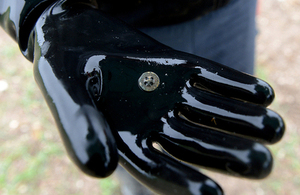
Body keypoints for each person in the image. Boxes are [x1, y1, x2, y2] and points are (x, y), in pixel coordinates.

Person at [0, 0, 284, 194]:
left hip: (227, 12)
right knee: (146, 162)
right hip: (116, 31)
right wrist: (37, 8)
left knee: (230, 108)